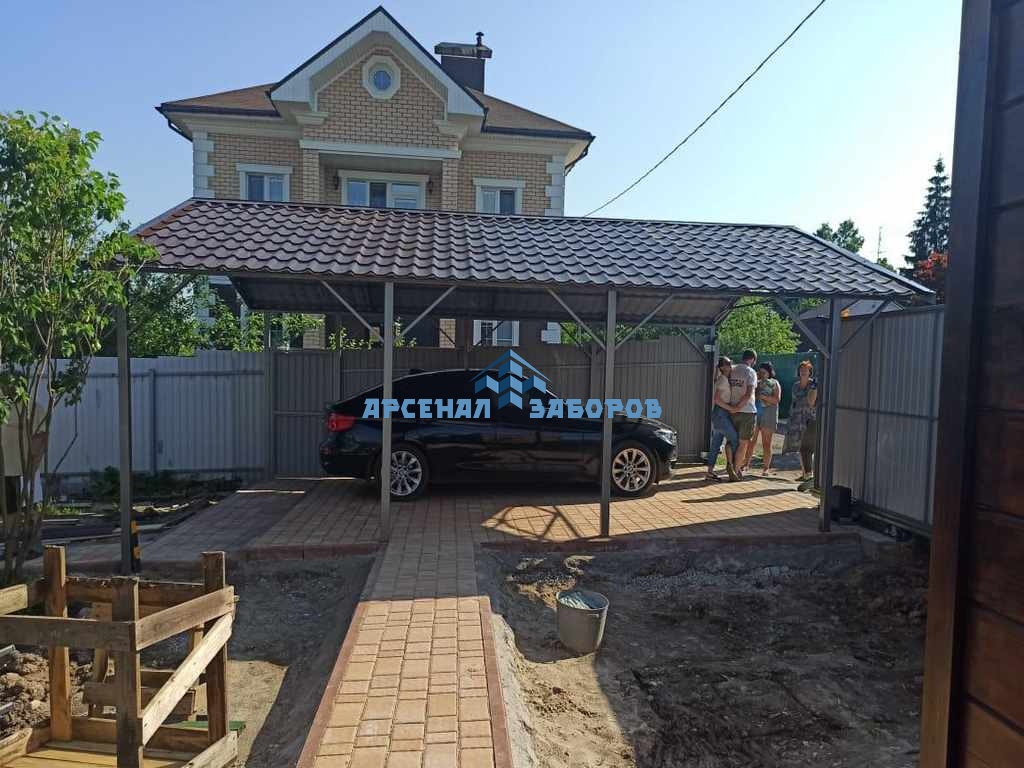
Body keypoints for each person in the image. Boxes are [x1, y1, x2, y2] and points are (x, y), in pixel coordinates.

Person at [784, 360, 819, 486]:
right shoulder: (795, 386)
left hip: (811, 419)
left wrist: (814, 387)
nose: (803, 372)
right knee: (800, 447)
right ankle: (805, 474)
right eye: (801, 369)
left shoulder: (813, 385)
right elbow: (794, 403)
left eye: (806, 370)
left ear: (810, 372)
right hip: (797, 420)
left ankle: (809, 475)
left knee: (806, 447)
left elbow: (811, 402)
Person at [705, 357, 739, 481]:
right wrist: (731, 408)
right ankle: (732, 466)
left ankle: (710, 472)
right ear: (722, 367)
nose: (730, 366)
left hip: (719, 414)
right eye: (727, 364)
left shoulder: (722, 378)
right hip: (721, 413)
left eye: (730, 364)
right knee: (735, 439)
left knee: (715, 444)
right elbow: (717, 399)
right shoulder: (723, 380)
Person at [727, 349, 758, 477]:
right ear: (752, 359)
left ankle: (730, 464)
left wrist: (734, 408)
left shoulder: (733, 370)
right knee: (743, 442)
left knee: (731, 440)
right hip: (747, 411)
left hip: (732, 410)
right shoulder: (750, 372)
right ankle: (736, 470)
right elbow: (749, 393)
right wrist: (739, 406)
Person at [755, 362, 781, 475]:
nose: (761, 374)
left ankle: (766, 468)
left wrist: (764, 397)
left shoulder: (775, 383)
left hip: (769, 414)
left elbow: (776, 400)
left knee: (766, 442)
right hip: (756, 413)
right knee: (750, 441)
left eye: (764, 372)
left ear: (769, 372)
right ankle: (744, 465)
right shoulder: (757, 382)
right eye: (760, 372)